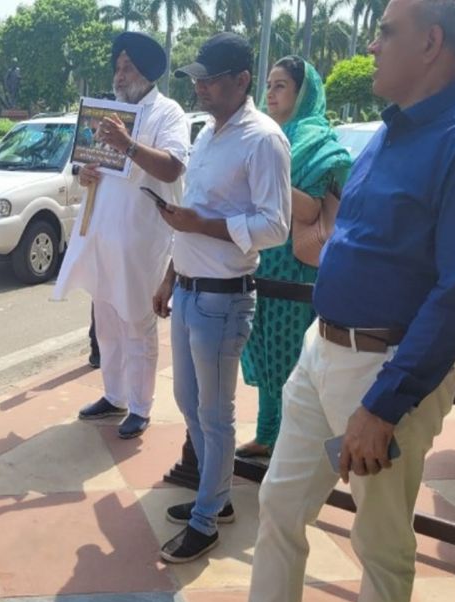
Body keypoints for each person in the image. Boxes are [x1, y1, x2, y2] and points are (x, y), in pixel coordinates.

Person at [248, 0, 455, 602]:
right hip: (320, 352)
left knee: (378, 541)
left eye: (385, 32)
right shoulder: (389, 130)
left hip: (383, 372)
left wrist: (383, 405)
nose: (371, 46)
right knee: (278, 505)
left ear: (432, 44)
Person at [152, 32, 291, 563]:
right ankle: (218, 497)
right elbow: (192, 214)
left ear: (241, 80)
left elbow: (274, 225)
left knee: (215, 413)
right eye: (197, 79)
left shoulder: (263, 139)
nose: (201, 88)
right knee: (191, 405)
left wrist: (204, 227)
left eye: (209, 79)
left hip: (223, 299)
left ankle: (207, 518)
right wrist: (170, 275)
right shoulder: (208, 134)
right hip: (188, 290)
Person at [54, 32, 190, 439]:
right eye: (117, 66)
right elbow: (86, 170)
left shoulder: (169, 113)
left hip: (140, 241)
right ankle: (113, 396)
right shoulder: (106, 112)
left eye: (127, 66)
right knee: (106, 320)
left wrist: (127, 144)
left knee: (136, 321)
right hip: (100, 234)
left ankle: (140, 406)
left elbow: (173, 168)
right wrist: (85, 172)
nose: (119, 74)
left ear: (147, 71)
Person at [237, 57, 352, 458]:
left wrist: (270, 177)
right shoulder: (267, 135)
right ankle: (267, 433)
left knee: (289, 357)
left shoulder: (317, 141)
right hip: (262, 260)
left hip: (297, 269)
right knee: (263, 350)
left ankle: (291, 446)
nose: (270, 92)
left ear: (303, 92)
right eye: (268, 84)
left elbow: (307, 212)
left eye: (281, 85)